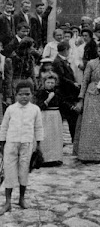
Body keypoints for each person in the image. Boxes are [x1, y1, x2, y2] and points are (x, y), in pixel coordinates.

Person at [0, 80, 44, 214]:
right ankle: (7, 202)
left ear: (32, 95)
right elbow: (4, 126)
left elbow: (38, 127)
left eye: (27, 94)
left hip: (27, 144)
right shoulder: (10, 109)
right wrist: (1, 143)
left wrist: (39, 144)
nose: (24, 97)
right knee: (9, 172)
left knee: (24, 171)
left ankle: (22, 198)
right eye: (20, 94)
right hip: (11, 144)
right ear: (15, 95)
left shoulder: (35, 109)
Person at [52, 41, 80, 141]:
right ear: (66, 50)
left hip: (68, 92)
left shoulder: (62, 61)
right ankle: (74, 140)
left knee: (72, 118)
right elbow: (61, 77)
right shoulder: (58, 62)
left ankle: (74, 140)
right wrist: (73, 84)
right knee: (71, 118)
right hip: (65, 93)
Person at [34, 74, 63, 165]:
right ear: (44, 83)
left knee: (55, 136)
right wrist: (48, 99)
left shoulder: (57, 92)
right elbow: (39, 106)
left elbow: (62, 103)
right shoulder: (41, 93)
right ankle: (44, 158)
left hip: (55, 115)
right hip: (45, 115)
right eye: (48, 82)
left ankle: (55, 157)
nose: (50, 84)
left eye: (52, 83)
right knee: (46, 136)